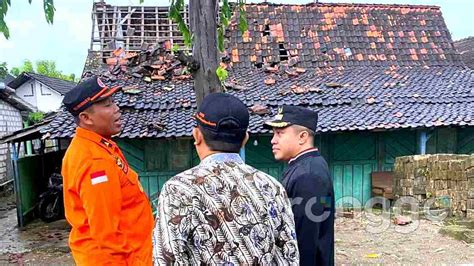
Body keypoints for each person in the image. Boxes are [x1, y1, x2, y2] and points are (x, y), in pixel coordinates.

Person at [152, 93, 299, 265]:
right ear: (245, 139)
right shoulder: (271, 187)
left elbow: (167, 257)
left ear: (197, 136)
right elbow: (289, 255)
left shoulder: (179, 189)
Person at [61, 76, 154, 265]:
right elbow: (107, 236)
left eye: (113, 102)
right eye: (107, 105)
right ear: (86, 118)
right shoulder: (95, 161)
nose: (116, 109)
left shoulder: (100, 146)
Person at [265, 105, 334, 266]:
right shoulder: (308, 166)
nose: (273, 140)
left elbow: (305, 238)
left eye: (279, 133)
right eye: (274, 134)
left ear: (302, 137)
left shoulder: (308, 176)